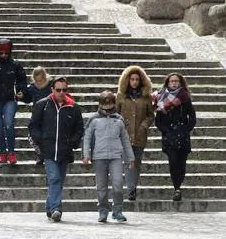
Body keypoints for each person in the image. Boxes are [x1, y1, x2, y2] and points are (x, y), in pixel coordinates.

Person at [28, 76, 84, 222]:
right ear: (52, 89)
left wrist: (73, 142)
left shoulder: (73, 107)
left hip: (65, 150)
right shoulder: (42, 105)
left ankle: (49, 206)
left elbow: (79, 128)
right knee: (54, 178)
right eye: (58, 90)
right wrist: (41, 140)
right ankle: (56, 208)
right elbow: (33, 126)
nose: (61, 92)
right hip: (48, 149)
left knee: (59, 180)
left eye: (64, 90)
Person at [82, 91, 135, 223]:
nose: (107, 109)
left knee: (118, 184)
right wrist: (86, 155)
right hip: (99, 157)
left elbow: (125, 140)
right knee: (101, 187)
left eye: (110, 105)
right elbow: (87, 138)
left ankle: (117, 211)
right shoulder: (94, 119)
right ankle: (103, 211)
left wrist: (131, 158)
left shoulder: (119, 119)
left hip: (116, 157)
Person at [154, 73, 196, 202]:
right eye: (171, 81)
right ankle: (176, 188)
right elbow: (158, 120)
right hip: (169, 135)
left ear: (180, 83)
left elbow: (192, 116)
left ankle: (178, 186)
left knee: (181, 163)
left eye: (176, 81)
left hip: (182, 135)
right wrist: (165, 131)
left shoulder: (184, 97)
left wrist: (186, 129)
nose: (174, 83)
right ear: (167, 83)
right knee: (173, 162)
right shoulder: (160, 99)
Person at [116, 65, 155, 201]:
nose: (134, 82)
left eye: (137, 79)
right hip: (124, 135)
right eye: (132, 79)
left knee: (136, 162)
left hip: (139, 134)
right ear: (127, 80)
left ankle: (132, 187)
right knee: (128, 162)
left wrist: (144, 126)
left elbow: (151, 115)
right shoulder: (121, 96)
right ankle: (131, 189)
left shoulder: (146, 97)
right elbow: (115, 113)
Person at [23, 66, 52, 166]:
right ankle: (41, 154)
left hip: (50, 114)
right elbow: (27, 99)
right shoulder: (32, 87)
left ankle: (47, 155)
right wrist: (21, 96)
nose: (39, 83)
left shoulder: (51, 84)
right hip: (37, 114)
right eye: (37, 81)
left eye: (41, 81)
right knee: (33, 136)